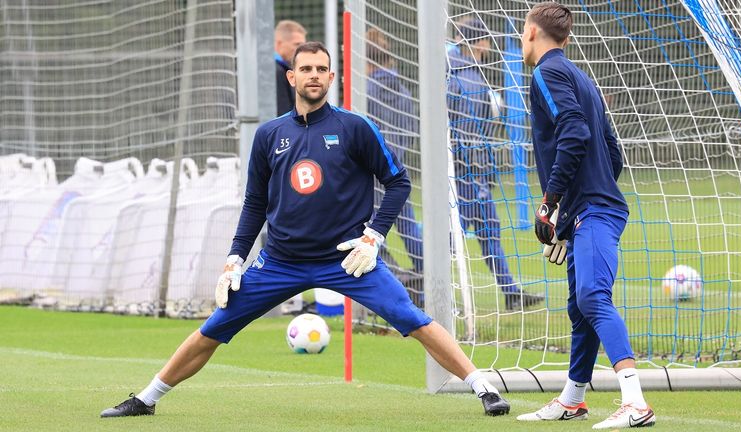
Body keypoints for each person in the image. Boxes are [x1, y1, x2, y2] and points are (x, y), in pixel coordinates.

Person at [99, 41, 511, 419]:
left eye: (322, 69)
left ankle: (483, 388)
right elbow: (255, 204)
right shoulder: (268, 135)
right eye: (306, 68)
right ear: (291, 77)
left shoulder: (355, 128)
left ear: (332, 78)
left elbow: (399, 182)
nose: (314, 75)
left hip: (347, 261)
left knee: (412, 318)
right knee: (213, 329)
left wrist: (375, 236)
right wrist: (234, 258)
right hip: (280, 262)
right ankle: (146, 399)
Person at [516, 3, 655, 429]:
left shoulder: (546, 72)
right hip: (589, 210)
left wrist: (551, 202)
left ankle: (635, 401)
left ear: (532, 34)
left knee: (593, 297)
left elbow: (573, 132)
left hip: (592, 210)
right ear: (568, 38)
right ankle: (573, 400)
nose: (523, 39)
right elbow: (614, 153)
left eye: (524, 32)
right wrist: (574, 209)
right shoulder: (583, 79)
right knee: (581, 308)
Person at [447, 19, 543, 310]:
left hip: (462, 169)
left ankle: (511, 292)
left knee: (487, 232)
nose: (489, 47)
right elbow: (467, 131)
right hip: (467, 172)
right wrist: (480, 171)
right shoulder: (466, 77)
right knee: (457, 236)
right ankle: (425, 290)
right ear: (480, 43)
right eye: (487, 41)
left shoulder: (457, 71)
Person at [365, 28, 424, 305]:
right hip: (395, 170)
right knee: (407, 225)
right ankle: (424, 275)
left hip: (367, 174)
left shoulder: (363, 90)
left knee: (369, 230)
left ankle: (391, 281)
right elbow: (409, 127)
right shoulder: (403, 90)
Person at [274, 20, 307, 115]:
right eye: (297, 44)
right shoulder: (277, 71)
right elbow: (283, 112)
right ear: (279, 44)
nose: (302, 50)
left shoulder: (282, 68)